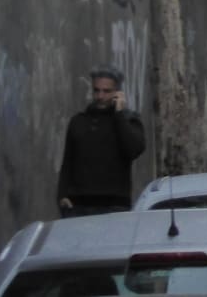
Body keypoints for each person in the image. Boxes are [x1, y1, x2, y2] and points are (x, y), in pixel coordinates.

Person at [57, 65, 146, 217]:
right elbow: (68, 162)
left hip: (114, 207)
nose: (100, 96)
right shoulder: (79, 121)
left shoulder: (129, 121)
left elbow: (133, 149)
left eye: (106, 91)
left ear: (117, 93)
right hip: (78, 206)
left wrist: (119, 115)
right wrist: (62, 195)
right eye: (96, 90)